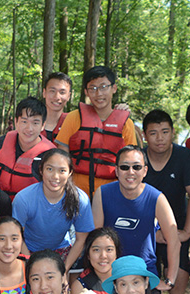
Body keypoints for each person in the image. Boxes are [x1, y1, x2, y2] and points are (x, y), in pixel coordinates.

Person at [92, 145, 179, 294]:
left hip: (144, 274)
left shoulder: (156, 198)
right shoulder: (102, 193)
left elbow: (174, 240)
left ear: (145, 171)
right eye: (125, 167)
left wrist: (169, 280)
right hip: (111, 274)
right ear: (117, 171)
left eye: (136, 167)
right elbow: (94, 240)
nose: (130, 172)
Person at [141, 110, 190, 294]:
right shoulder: (138, 158)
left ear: (173, 132)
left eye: (165, 132)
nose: (160, 138)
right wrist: (149, 231)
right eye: (153, 133)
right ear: (144, 135)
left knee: (180, 262)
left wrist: (187, 232)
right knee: (148, 264)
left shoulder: (184, 157)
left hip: (178, 222)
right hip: (145, 225)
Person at [55, 66, 139, 198]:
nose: (99, 93)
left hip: (113, 194)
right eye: (93, 88)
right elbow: (61, 155)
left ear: (114, 88)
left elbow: (132, 162)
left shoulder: (126, 124)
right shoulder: (73, 118)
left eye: (103, 87)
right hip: (76, 193)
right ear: (86, 92)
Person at [13, 148, 93, 271]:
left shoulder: (80, 200)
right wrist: (30, 265)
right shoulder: (24, 199)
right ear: (41, 170)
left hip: (61, 250)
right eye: (49, 169)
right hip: (28, 250)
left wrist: (64, 270)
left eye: (62, 171)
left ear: (70, 173)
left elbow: (81, 239)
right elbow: (17, 236)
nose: (55, 176)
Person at [0, 97, 55, 198]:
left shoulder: (50, 155)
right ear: (16, 122)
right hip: (0, 204)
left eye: (35, 123)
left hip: (30, 209)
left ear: (43, 125)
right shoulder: (3, 141)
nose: (29, 128)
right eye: (24, 121)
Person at [70, 227, 121, 294]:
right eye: (96, 250)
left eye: (109, 250)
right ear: (88, 255)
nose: (103, 256)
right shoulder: (80, 286)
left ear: (116, 253)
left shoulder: (126, 279)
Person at [41, 72, 72, 142]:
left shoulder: (72, 124)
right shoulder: (32, 123)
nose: (57, 97)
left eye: (62, 92)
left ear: (69, 96)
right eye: (52, 91)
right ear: (44, 93)